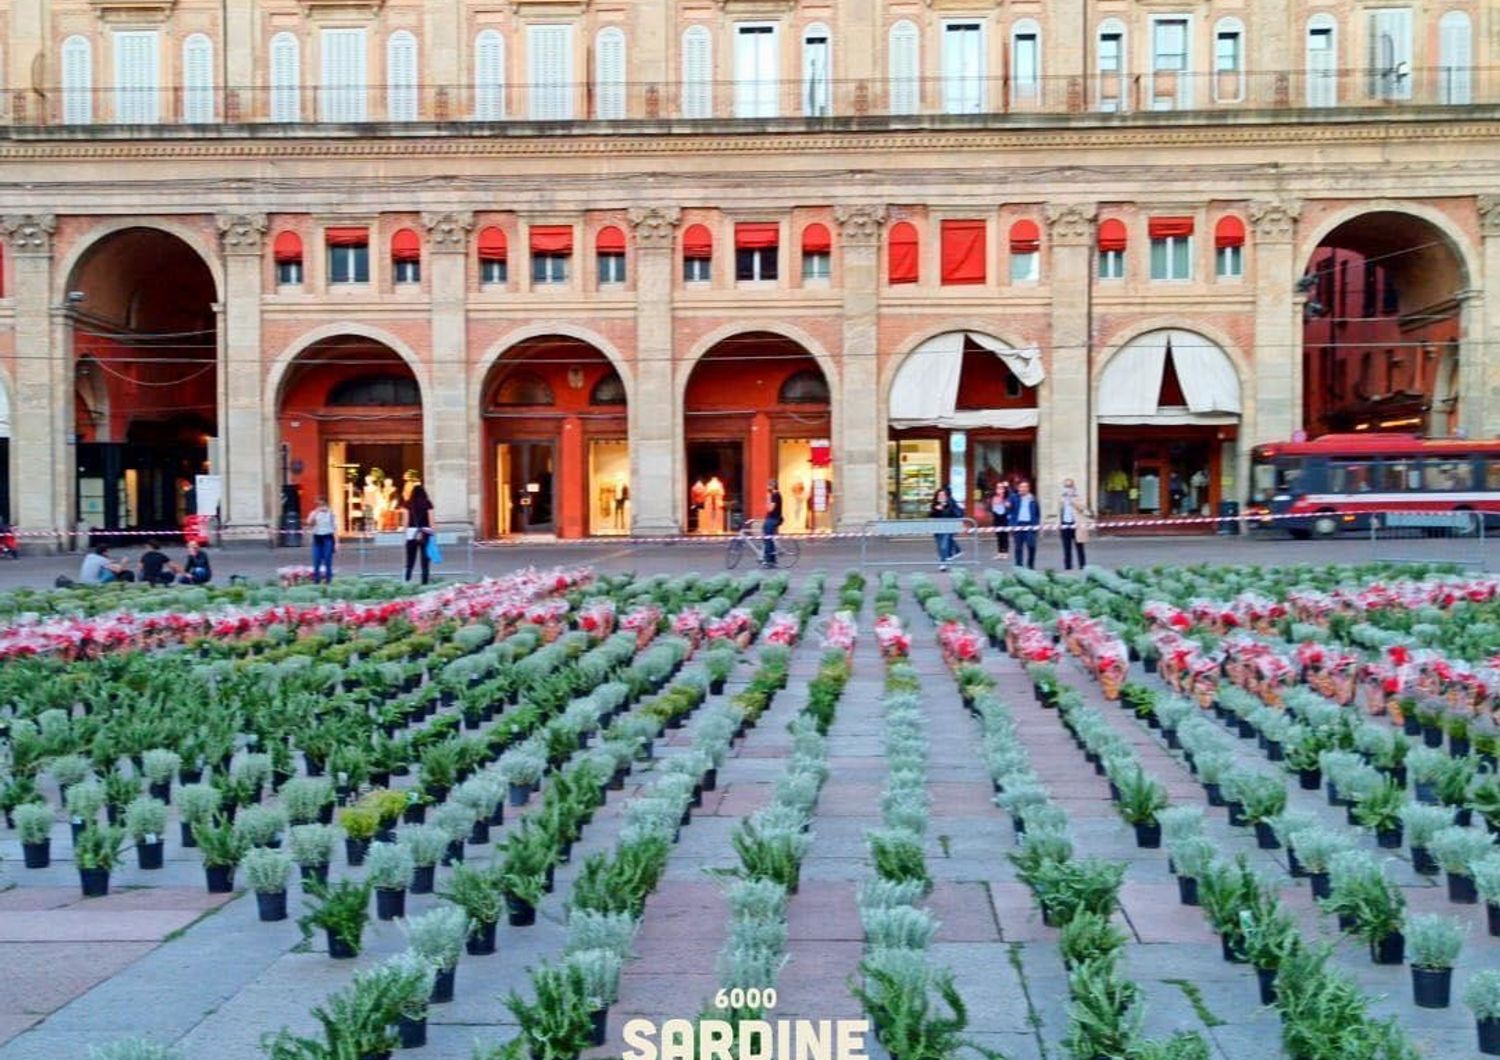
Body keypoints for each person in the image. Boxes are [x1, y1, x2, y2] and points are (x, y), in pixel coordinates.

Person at [402, 484, 435, 584]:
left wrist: (405, 532)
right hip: (425, 532)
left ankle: (407, 579)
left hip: (412, 533)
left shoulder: (407, 504)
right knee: (425, 559)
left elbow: (406, 522)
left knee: (410, 558)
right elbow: (431, 521)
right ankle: (424, 581)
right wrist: (433, 532)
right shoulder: (428, 503)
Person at [1058, 479, 1088, 571]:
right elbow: (1059, 511)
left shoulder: (1078, 496)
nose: (1068, 489)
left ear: (1073, 487)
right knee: (1066, 549)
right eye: (1066, 487)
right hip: (1065, 525)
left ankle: (1082, 567)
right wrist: (1058, 523)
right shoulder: (1061, 498)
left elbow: (1082, 508)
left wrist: (1072, 501)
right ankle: (1068, 568)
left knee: (1079, 547)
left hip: (1076, 525)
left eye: (1070, 486)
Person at [1008, 480, 1040, 569]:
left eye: (1025, 487)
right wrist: (1010, 522)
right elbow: (1008, 508)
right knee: (1018, 547)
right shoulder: (1014, 497)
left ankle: (1030, 565)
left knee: (1031, 545)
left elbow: (1037, 512)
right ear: (1018, 488)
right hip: (1018, 525)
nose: (1023, 489)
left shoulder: (1033, 499)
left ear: (1028, 488)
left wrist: (1036, 524)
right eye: (1021, 487)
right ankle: (1019, 566)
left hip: (1030, 525)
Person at [929, 487, 962, 570]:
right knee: (940, 546)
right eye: (940, 495)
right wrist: (936, 510)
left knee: (944, 545)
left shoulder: (949, 504)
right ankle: (947, 557)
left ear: (946, 496)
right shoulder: (934, 505)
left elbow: (951, 514)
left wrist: (944, 507)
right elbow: (931, 516)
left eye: (943, 495)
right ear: (936, 496)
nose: (941, 496)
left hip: (947, 528)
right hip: (937, 528)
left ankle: (942, 563)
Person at [306, 495, 337, 585]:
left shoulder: (331, 514)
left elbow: (335, 528)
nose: (321, 507)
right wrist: (316, 513)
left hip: (328, 537)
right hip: (317, 538)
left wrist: (337, 542)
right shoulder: (313, 513)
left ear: (326, 504)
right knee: (316, 560)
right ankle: (316, 581)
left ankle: (328, 580)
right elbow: (309, 523)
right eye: (319, 504)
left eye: (323, 504)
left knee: (327, 560)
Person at [762, 479, 783, 568]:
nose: (767, 487)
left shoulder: (775, 495)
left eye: (768, 485)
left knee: (768, 539)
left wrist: (767, 498)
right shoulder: (775, 495)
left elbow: (770, 509)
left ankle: (770, 561)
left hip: (774, 519)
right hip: (771, 518)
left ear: (772, 486)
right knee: (767, 537)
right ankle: (771, 559)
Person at [988, 481, 1011, 560]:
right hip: (996, 518)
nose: (999, 489)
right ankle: (1000, 553)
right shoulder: (993, 497)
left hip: (1004, 518)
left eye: (1001, 488)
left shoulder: (1007, 497)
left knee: (1005, 536)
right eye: (998, 488)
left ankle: (1006, 553)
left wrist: (1003, 497)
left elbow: (1008, 506)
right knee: (999, 536)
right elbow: (992, 508)